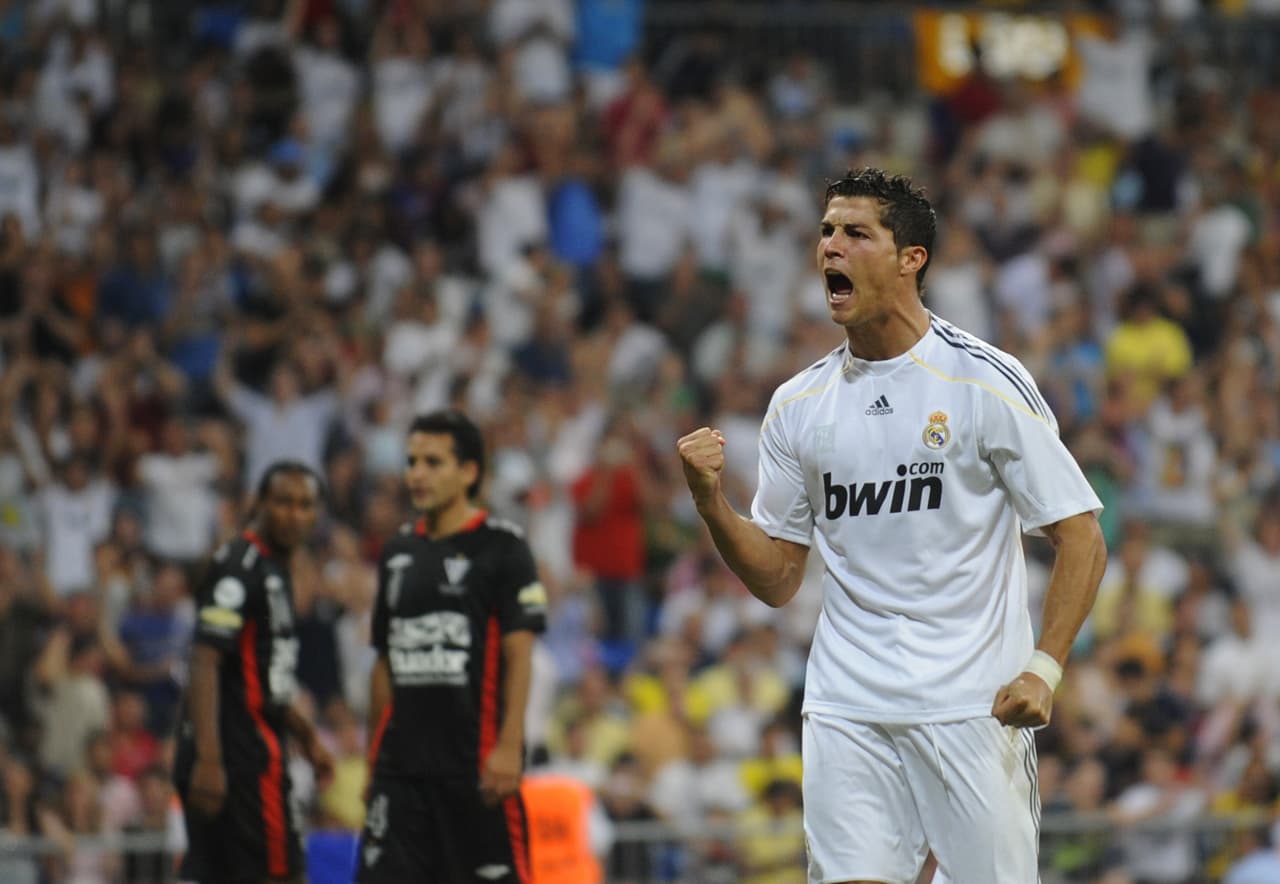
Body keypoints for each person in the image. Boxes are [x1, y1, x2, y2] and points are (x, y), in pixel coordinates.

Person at [676, 168, 1107, 884]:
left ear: (912, 258)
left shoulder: (984, 381)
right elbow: (780, 578)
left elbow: (1081, 535)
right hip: (849, 706)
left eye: (855, 233)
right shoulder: (798, 404)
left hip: (973, 707)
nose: (829, 250)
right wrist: (710, 503)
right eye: (824, 233)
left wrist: (1046, 668)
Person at [357, 409, 548, 883]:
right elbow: (383, 663)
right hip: (400, 773)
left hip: (475, 768)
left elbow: (519, 655)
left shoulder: (503, 547)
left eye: (433, 462)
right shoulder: (397, 551)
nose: (417, 474)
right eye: (412, 461)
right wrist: (370, 763)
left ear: (469, 472)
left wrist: (509, 747)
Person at [173, 460, 335, 884]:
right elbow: (205, 658)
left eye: (305, 505)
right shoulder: (240, 567)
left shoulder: (273, 569)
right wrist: (210, 758)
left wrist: (306, 735)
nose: (294, 515)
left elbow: (263, 679)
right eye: (283, 502)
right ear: (260, 504)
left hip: (251, 748)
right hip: (241, 757)